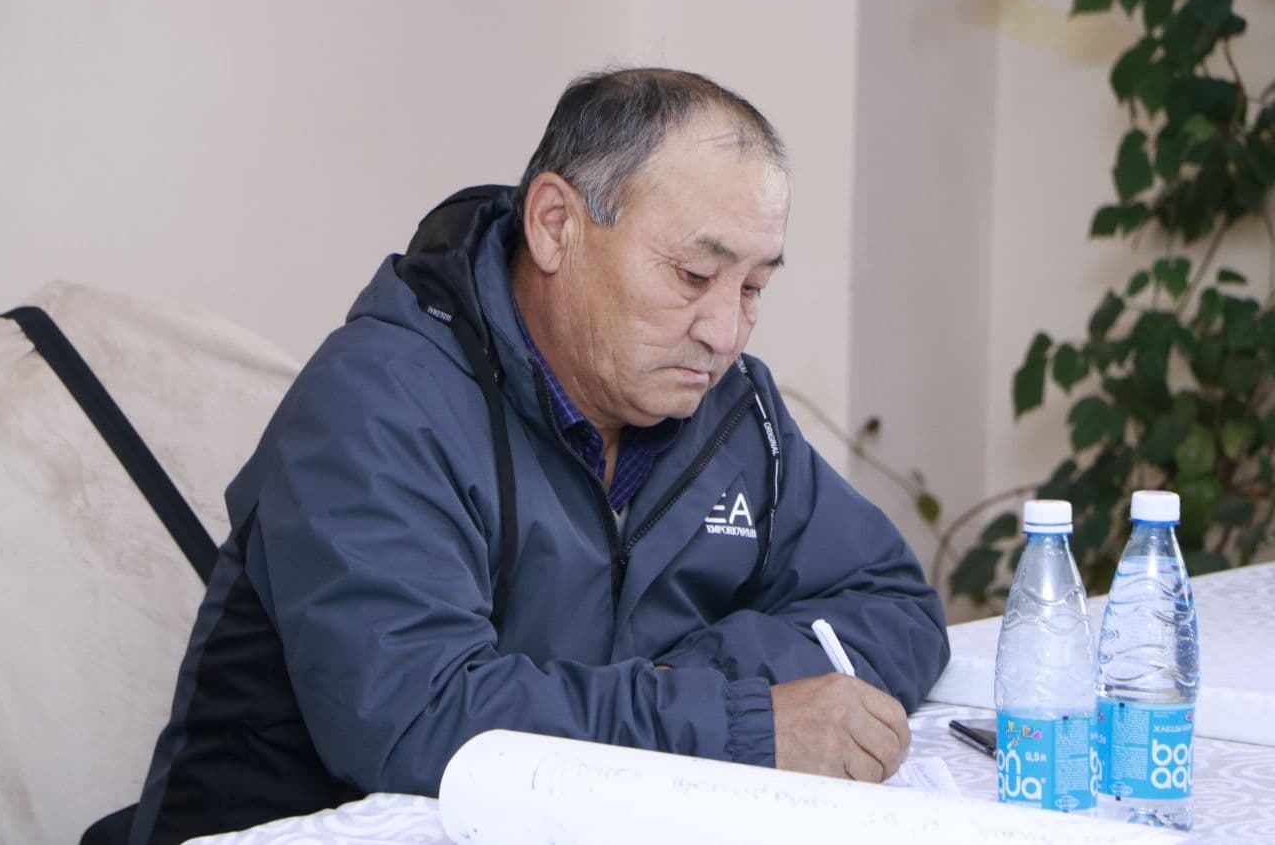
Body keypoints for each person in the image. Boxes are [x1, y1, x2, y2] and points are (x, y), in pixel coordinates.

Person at [123, 68, 950, 844]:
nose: (726, 332)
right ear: (556, 225)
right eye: (695, 274)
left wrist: (699, 679)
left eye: (754, 287)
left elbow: (894, 603)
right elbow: (417, 722)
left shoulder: (732, 412)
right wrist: (736, 719)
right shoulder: (378, 401)